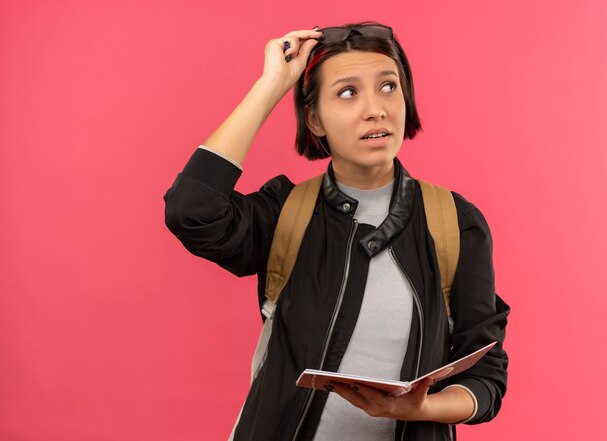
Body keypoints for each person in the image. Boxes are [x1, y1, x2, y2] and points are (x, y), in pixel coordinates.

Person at [164, 21, 509, 441]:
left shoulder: (456, 223)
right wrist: (272, 85)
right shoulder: (286, 212)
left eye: (388, 86)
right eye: (348, 92)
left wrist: (422, 407)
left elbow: (486, 377)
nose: (376, 108)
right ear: (314, 119)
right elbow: (191, 210)